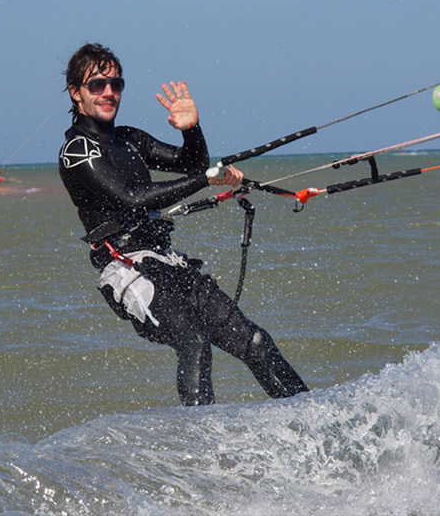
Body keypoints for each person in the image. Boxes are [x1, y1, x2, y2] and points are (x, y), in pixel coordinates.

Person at [58, 43, 308, 406]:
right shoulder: (78, 150)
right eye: (97, 84)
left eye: (116, 84)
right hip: (127, 271)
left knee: (254, 342)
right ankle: (200, 435)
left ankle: (313, 416)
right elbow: (133, 197)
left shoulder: (128, 138)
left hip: (168, 263)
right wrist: (206, 180)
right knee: (194, 341)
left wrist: (192, 130)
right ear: (75, 92)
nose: (108, 92)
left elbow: (191, 164)